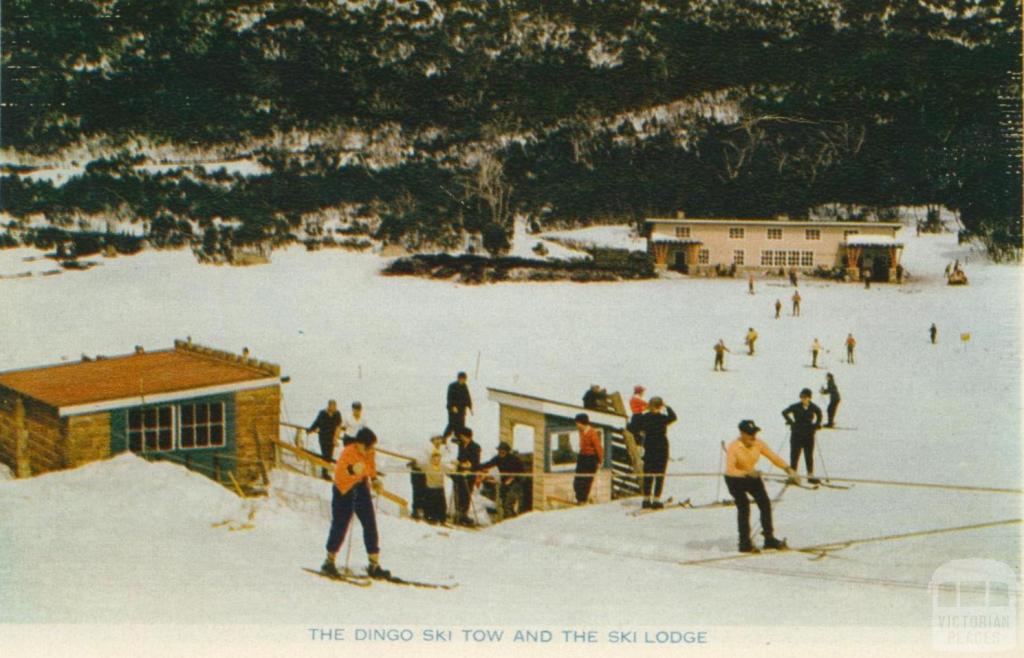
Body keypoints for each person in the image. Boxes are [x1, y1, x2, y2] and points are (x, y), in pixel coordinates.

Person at [321, 427, 390, 579]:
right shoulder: (348, 452)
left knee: (370, 523)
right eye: (369, 446)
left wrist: (375, 479)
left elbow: (371, 467)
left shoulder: (370, 452)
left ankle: (374, 564)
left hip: (360, 488)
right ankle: (329, 561)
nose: (371, 449)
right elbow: (340, 474)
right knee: (340, 524)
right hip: (343, 490)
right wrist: (352, 470)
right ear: (360, 443)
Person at [724, 420, 797, 552]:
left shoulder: (758, 443)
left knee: (765, 504)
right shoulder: (733, 447)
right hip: (734, 479)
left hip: (752, 476)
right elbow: (730, 470)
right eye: (750, 434)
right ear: (742, 433)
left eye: (755, 433)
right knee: (744, 507)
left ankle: (769, 539)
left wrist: (788, 469)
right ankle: (744, 543)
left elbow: (773, 457)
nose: (754, 436)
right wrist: (747, 473)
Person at [630, 397, 677, 508]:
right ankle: (656, 500)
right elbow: (674, 417)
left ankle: (646, 499)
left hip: (649, 446)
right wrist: (667, 406)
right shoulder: (662, 418)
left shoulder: (644, 418)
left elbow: (634, 425)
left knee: (648, 473)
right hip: (661, 447)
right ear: (660, 406)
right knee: (659, 474)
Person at [781, 388, 823, 484]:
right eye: (801, 397)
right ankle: (793, 476)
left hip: (809, 434)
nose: (803, 399)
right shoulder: (795, 406)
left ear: (809, 397)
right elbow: (784, 412)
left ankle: (810, 475)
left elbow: (819, 414)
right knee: (795, 455)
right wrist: (791, 422)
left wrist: (816, 425)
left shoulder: (813, 407)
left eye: (805, 397)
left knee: (808, 455)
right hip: (797, 433)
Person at [476, 441, 527, 519]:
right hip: (505, 484)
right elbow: (488, 464)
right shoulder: (498, 458)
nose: (501, 452)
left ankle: (511, 522)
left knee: (508, 505)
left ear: (507, 451)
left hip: (516, 484)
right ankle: (507, 520)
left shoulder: (514, 459)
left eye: (503, 450)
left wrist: (513, 478)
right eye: (499, 450)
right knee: (503, 504)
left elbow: (522, 473)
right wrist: (474, 467)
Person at [409, 435, 446, 520]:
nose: (439, 441)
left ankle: (431, 513)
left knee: (429, 494)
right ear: (432, 440)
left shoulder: (440, 449)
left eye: (440, 439)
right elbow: (422, 460)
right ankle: (417, 511)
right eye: (436, 439)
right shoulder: (427, 448)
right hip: (420, 471)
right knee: (419, 492)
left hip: (431, 473)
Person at [451, 428, 481, 525]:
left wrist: (467, 466)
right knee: (458, 493)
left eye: (462, 436)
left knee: (466, 495)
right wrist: (458, 462)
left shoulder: (475, 447)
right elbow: (460, 458)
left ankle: (463, 515)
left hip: (469, 474)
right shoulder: (461, 445)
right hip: (460, 473)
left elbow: (475, 462)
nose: (461, 438)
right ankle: (458, 514)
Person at [572, 413, 604, 504]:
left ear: (582, 423)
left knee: (586, 480)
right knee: (577, 480)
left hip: (590, 458)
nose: (577, 425)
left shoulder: (592, 433)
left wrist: (600, 460)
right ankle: (578, 498)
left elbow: (598, 448)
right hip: (582, 457)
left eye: (578, 423)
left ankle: (582, 500)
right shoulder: (581, 431)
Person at [308, 400, 342, 479]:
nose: (333, 408)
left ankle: (325, 472)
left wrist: (336, 437)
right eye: (332, 406)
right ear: (329, 406)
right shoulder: (322, 413)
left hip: (332, 438)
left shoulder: (337, 414)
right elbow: (316, 423)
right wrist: (310, 429)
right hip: (323, 437)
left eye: (335, 406)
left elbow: (339, 425)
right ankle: (324, 473)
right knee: (325, 455)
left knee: (329, 456)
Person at [442, 372, 473, 441]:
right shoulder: (452, 386)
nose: (463, 381)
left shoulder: (464, 386)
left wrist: (470, 406)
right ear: (459, 378)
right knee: (452, 424)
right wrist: (452, 406)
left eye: (465, 379)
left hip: (462, 409)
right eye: (462, 379)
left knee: (461, 424)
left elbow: (467, 397)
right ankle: (444, 437)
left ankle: (458, 436)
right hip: (453, 409)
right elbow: (449, 397)